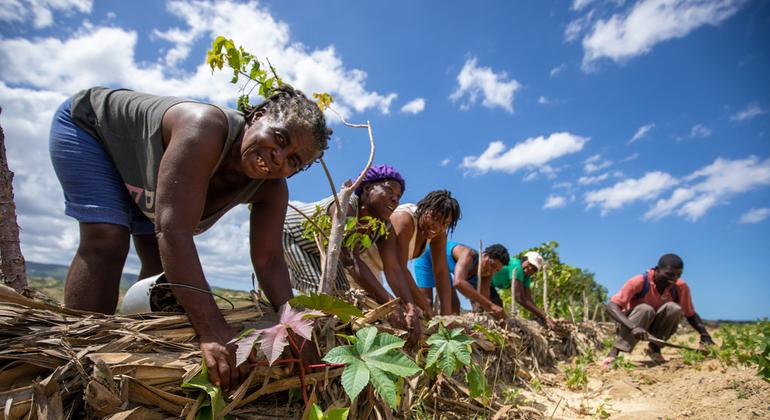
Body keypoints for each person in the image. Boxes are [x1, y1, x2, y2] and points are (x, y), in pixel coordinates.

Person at [49, 85, 331, 390]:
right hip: (93, 131)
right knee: (107, 240)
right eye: (280, 139)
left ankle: (132, 351)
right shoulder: (204, 128)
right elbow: (174, 231)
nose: (279, 158)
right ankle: (76, 355)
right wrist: (212, 330)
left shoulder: (271, 189)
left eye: (293, 161)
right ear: (258, 116)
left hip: (147, 172)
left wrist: (292, 326)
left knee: (160, 271)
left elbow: (270, 259)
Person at [282, 164, 423, 346]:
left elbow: (394, 269)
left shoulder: (384, 226)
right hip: (291, 235)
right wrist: (390, 305)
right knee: (325, 298)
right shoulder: (346, 207)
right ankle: (305, 340)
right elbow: (350, 261)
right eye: (389, 190)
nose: (395, 199)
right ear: (366, 187)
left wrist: (410, 307)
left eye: (398, 196)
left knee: (342, 294)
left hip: (324, 255)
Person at [602, 253, 715, 367]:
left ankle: (655, 348)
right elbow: (611, 306)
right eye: (669, 274)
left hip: (654, 329)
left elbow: (690, 314)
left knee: (674, 308)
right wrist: (633, 327)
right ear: (657, 269)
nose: (673, 279)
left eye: (678, 275)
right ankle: (613, 353)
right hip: (630, 325)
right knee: (646, 309)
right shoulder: (639, 281)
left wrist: (704, 335)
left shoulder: (680, 286)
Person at [390, 190, 462, 316]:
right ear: (424, 208)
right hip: (361, 264)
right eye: (434, 218)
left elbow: (441, 272)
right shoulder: (404, 220)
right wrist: (426, 308)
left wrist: (446, 316)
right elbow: (398, 268)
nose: (437, 227)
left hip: (381, 269)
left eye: (445, 223)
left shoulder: (438, 234)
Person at [414, 242, 510, 319]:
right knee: (426, 303)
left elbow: (483, 299)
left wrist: (501, 317)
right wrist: (492, 306)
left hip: (443, 266)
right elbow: (458, 282)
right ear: (484, 255)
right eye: (492, 265)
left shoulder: (487, 273)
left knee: (454, 306)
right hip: (426, 257)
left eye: (496, 270)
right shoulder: (469, 255)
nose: (491, 271)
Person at [491, 251, 557, 329]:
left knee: (499, 312)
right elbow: (519, 298)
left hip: (490, 285)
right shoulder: (517, 267)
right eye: (530, 265)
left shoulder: (526, 277)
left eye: (534, 269)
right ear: (524, 259)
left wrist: (542, 316)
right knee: (486, 310)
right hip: (483, 279)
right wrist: (544, 316)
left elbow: (528, 299)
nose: (530, 269)